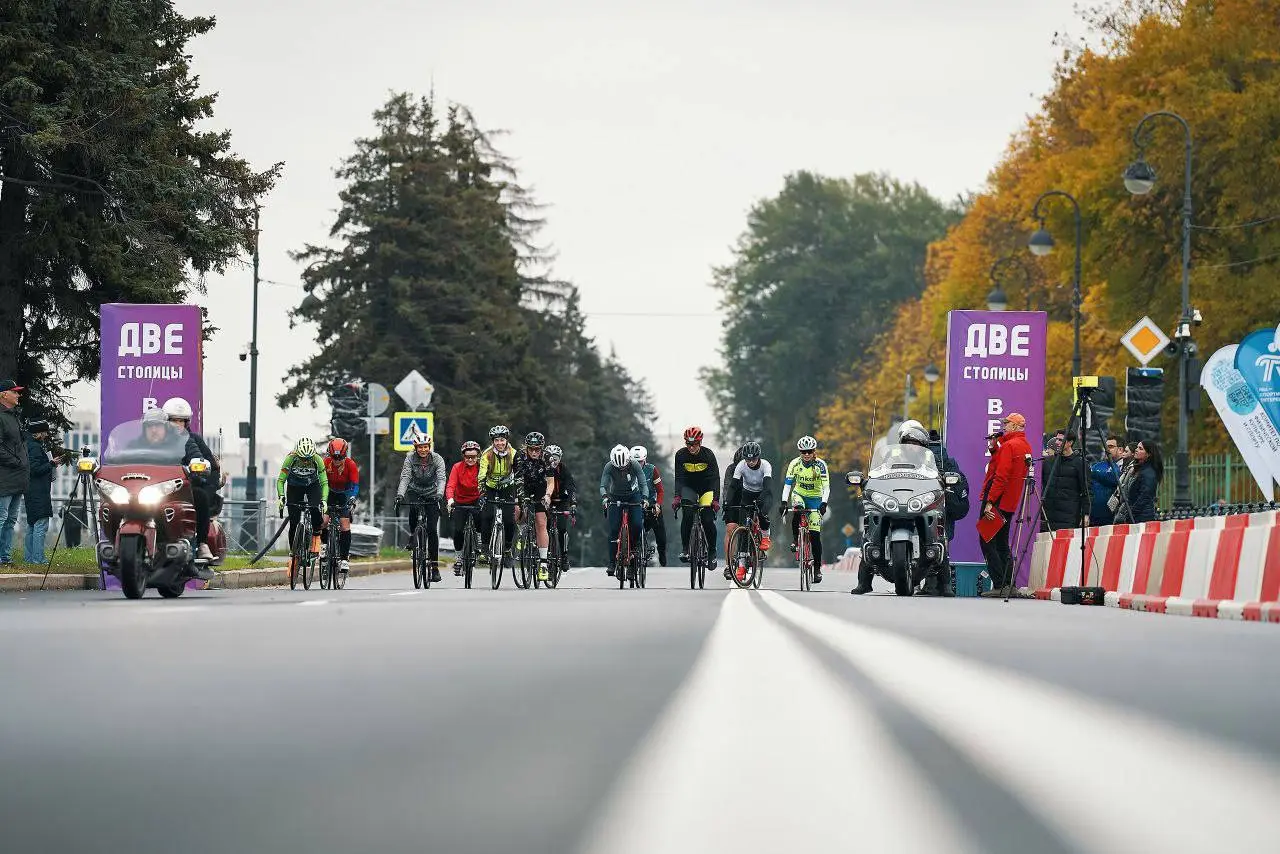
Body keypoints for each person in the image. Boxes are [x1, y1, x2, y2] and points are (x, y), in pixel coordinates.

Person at [900, 419, 968, 597]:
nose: (910, 445)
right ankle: (929, 584)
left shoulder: (933, 456)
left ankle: (939, 585)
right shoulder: (903, 456)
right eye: (908, 442)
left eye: (913, 442)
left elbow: (945, 478)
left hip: (931, 504)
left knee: (937, 539)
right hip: (916, 503)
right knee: (935, 541)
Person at [163, 397, 221, 573]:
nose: (178, 424)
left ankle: (202, 543)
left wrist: (206, 484)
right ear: (165, 421)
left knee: (201, 496)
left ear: (187, 422)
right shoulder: (157, 440)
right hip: (158, 488)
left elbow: (211, 466)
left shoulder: (191, 440)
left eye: (181, 421)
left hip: (184, 490)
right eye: (174, 421)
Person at [978, 412, 1032, 598]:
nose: (1004, 427)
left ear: (1016, 427)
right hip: (1010, 501)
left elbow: (1000, 476)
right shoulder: (1024, 445)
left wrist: (990, 502)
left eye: (1007, 424)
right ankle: (1009, 584)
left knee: (986, 539)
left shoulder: (1009, 446)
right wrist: (994, 450)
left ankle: (1000, 584)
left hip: (998, 499)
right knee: (1001, 542)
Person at [395, 431, 447, 583]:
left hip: (432, 492)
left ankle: (435, 568)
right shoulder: (410, 458)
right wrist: (400, 495)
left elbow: (442, 478)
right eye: (420, 447)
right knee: (414, 508)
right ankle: (413, 535)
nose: (423, 450)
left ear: (429, 447)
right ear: (415, 448)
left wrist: (439, 494)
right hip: (415, 490)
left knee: (431, 529)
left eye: (425, 447)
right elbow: (405, 477)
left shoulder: (437, 459)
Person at [276, 436, 329, 575]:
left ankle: (316, 534)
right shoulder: (290, 459)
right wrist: (281, 497)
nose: (305, 461)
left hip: (312, 486)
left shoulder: (317, 460)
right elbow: (281, 480)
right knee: (293, 523)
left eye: (308, 459)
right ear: (296, 454)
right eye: (302, 459)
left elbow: (324, 483)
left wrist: (323, 500)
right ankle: (293, 553)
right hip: (294, 487)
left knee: (314, 508)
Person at [782, 435, 830, 584]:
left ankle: (817, 569)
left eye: (809, 451)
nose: (807, 454)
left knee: (815, 536)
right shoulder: (794, 464)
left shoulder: (821, 465)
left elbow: (826, 487)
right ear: (800, 452)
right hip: (800, 494)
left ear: (814, 451)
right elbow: (788, 485)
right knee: (797, 510)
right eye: (804, 452)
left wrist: (823, 503)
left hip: (816, 498)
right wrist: (784, 501)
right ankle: (796, 540)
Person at [724, 441, 773, 583]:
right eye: (748, 459)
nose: (751, 462)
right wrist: (727, 502)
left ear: (758, 457)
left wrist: (760, 502)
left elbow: (768, 488)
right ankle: (741, 566)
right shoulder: (741, 466)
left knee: (763, 513)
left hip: (763, 493)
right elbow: (733, 486)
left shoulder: (765, 465)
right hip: (747, 494)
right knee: (744, 530)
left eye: (753, 459)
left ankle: (765, 537)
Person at [600, 443, 651, 577]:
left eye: (624, 466)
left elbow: (643, 484)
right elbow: (603, 485)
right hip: (615, 497)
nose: (622, 469)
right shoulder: (609, 466)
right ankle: (612, 562)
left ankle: (634, 554)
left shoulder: (634, 464)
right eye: (619, 467)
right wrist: (604, 497)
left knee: (637, 524)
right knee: (613, 529)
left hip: (633, 496)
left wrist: (645, 498)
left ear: (628, 460)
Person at [673, 426, 720, 570]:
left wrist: (716, 499)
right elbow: (679, 478)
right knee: (687, 515)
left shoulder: (708, 455)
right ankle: (686, 549)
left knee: (706, 519)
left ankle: (712, 551)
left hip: (706, 489)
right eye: (688, 443)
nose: (691, 447)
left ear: (700, 442)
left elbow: (715, 478)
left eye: (693, 444)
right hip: (689, 489)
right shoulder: (680, 455)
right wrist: (677, 496)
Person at [512, 431, 556, 583]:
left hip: (540, 488)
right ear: (526, 448)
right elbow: (517, 480)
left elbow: (551, 482)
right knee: (518, 510)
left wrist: (547, 496)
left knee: (541, 522)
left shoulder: (548, 458)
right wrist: (522, 500)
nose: (535, 452)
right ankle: (522, 530)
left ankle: (543, 563)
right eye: (531, 449)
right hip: (523, 485)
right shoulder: (519, 456)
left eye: (538, 449)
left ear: (542, 448)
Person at [478, 425, 518, 568]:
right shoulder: (486, 454)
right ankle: (484, 549)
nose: (499, 443)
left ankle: (507, 549)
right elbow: (481, 475)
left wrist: (518, 494)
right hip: (490, 487)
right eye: (496, 440)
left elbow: (519, 474)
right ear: (492, 441)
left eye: (502, 440)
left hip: (507, 487)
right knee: (486, 516)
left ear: (506, 440)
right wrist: (482, 493)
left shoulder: (514, 454)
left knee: (509, 519)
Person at [0, 379, 30, 567]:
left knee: (11, 520)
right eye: (15, 392)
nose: (18, 395)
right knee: (1, 518)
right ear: (4, 394)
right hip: (5, 477)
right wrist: (17, 462)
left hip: (18, 478)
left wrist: (22, 464)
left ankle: (5, 558)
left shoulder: (14, 416)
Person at [446, 440, 484, 576]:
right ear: (463, 456)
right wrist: (450, 500)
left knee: (481, 516)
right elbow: (451, 485)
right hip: (460, 501)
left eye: (473, 457)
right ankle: (459, 558)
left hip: (476, 500)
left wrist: (483, 497)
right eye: (467, 457)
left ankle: (479, 540)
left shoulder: (481, 467)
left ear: (478, 456)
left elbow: (486, 484)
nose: (470, 459)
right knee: (458, 530)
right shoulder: (457, 467)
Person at [322, 438, 360, 576]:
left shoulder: (351, 465)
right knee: (324, 521)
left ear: (345, 455)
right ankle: (324, 545)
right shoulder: (325, 463)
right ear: (329, 455)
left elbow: (355, 485)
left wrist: (352, 498)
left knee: (344, 525)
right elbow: (320, 481)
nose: (337, 460)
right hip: (329, 493)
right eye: (334, 457)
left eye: (340, 457)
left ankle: (344, 558)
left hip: (345, 494)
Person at [1041, 429, 1088, 532]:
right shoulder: (1048, 462)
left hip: (1069, 516)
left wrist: (1086, 514)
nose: (1057, 442)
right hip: (1048, 515)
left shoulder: (1080, 463)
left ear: (1070, 443)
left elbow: (1087, 491)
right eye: (1057, 439)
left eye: (1061, 440)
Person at [22, 420, 56, 564]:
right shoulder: (35, 448)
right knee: (41, 525)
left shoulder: (27, 445)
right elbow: (35, 470)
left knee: (32, 524)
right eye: (45, 432)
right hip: (39, 491)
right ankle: (38, 559)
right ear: (39, 433)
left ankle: (29, 558)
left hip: (30, 490)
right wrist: (52, 464)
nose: (46, 435)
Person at [630, 445, 667, 567]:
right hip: (634, 504)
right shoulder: (627, 470)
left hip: (650, 504)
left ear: (645, 460)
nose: (638, 464)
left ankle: (662, 553)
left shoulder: (652, 470)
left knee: (660, 533)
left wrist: (658, 504)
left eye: (640, 462)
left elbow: (660, 491)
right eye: (635, 462)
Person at [1120, 439, 1163, 523]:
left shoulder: (1148, 472)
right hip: (1136, 514)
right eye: (1137, 447)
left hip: (1142, 517)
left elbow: (1145, 496)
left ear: (1148, 454)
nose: (1136, 449)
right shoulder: (1139, 468)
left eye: (1140, 448)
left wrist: (1131, 512)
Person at [1089, 435, 1124, 527]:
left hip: (1113, 516)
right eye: (1105, 447)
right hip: (1094, 515)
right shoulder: (1097, 466)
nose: (1106, 449)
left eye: (1111, 447)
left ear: (1120, 450)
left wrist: (1095, 474)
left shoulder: (1124, 466)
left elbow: (1115, 480)